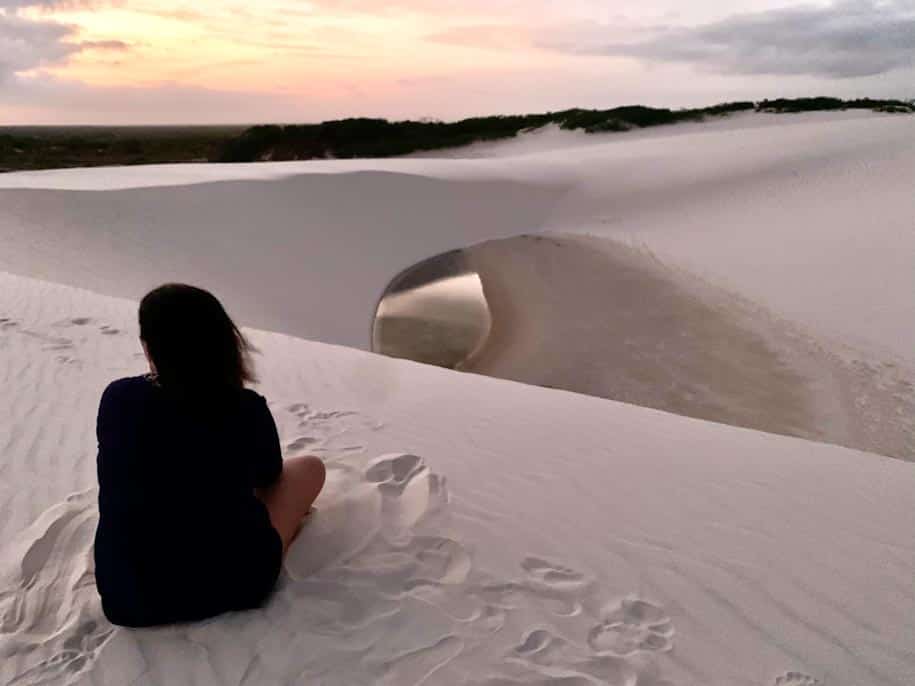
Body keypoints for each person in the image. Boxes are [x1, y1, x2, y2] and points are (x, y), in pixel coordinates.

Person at [93, 284, 325, 627]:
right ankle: (281, 538)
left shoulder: (118, 400)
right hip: (235, 584)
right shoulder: (245, 409)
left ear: (149, 347)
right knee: (309, 469)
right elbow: (270, 476)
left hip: (127, 598)